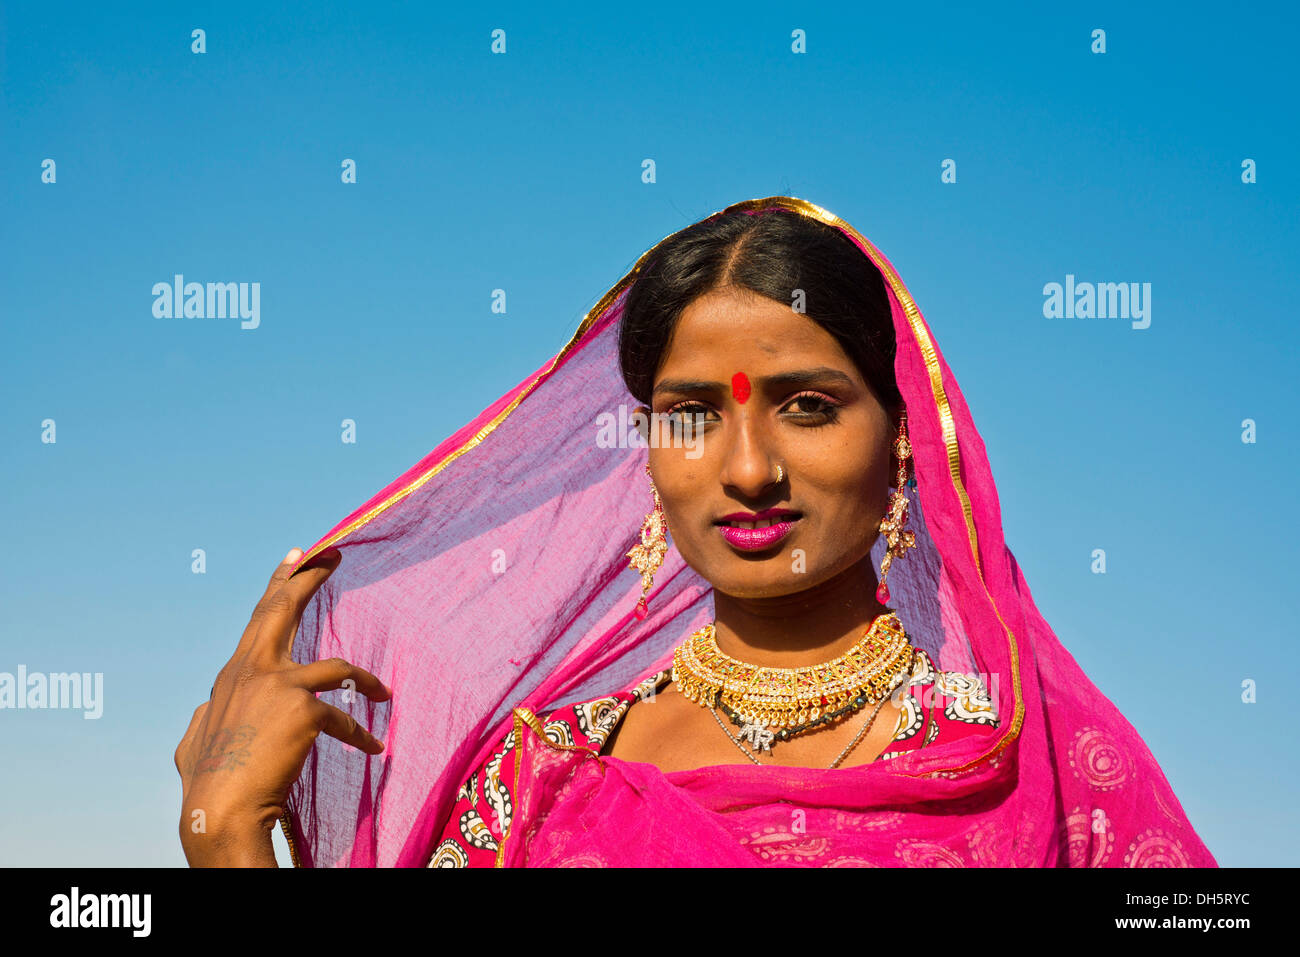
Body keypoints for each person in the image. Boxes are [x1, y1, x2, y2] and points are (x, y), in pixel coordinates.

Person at [175, 196, 1217, 868]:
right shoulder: (534, 783)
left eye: (807, 404)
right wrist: (223, 837)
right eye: (689, 416)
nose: (748, 469)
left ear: (900, 438)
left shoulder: (1025, 762)